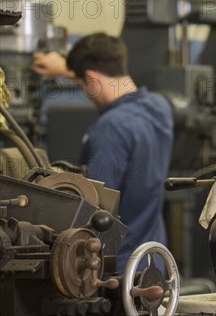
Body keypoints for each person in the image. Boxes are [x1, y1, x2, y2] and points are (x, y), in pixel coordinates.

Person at [32, 33, 174, 273]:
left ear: (91, 78)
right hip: (152, 260)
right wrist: (71, 71)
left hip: (115, 269)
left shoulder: (110, 128)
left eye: (81, 84)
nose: (85, 92)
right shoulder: (159, 108)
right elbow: (103, 77)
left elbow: (92, 207)